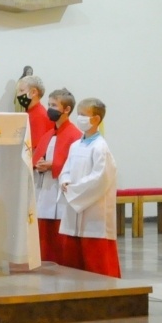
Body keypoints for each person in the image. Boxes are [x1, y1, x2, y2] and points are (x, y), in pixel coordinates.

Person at [58, 97, 120, 278]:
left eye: (83, 115)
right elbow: (66, 169)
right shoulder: (75, 145)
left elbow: (100, 178)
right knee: (73, 259)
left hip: (93, 210)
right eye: (78, 114)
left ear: (96, 119)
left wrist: (74, 190)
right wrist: (65, 181)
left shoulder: (100, 147)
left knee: (95, 259)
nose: (79, 118)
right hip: (74, 205)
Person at [34, 89, 82, 268]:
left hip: (61, 190)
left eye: (54, 105)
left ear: (67, 109)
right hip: (45, 187)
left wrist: (53, 165)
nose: (49, 109)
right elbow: (38, 156)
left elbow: (76, 165)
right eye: (49, 104)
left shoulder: (75, 135)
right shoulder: (49, 134)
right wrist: (39, 164)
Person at [17, 70, 53, 154]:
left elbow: (36, 149)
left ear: (33, 92)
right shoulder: (30, 112)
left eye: (21, 91)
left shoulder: (39, 115)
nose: (18, 95)